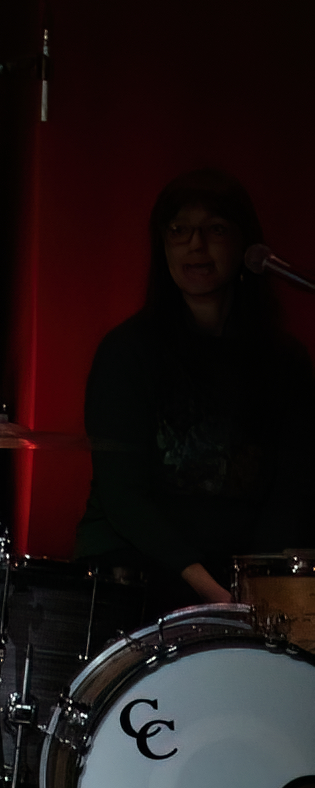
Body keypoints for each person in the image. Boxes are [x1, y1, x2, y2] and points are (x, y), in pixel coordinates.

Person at [74, 169, 314, 610]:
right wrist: (216, 595)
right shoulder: (128, 351)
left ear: (246, 245)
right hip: (140, 570)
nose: (195, 245)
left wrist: (256, 586)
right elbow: (124, 495)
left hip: (245, 575)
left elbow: (292, 490)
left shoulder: (284, 360)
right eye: (179, 230)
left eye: (215, 229)